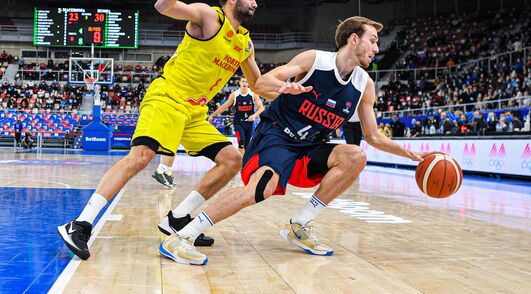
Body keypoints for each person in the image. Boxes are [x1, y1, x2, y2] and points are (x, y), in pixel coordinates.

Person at [159, 16, 431, 265]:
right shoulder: (315, 60)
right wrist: (284, 86)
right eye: (372, 40)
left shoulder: (364, 84)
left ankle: (300, 224)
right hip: (275, 135)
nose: (376, 48)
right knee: (262, 187)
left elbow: (371, 135)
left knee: (355, 156)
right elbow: (263, 82)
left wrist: (406, 152)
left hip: (308, 147)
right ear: (353, 38)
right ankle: (183, 236)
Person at [57, 0, 263, 260]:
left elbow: (259, 83)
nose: (255, 3)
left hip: (194, 112)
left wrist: (293, 87)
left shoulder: (244, 42)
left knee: (232, 159)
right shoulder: (211, 18)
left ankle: (177, 219)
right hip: (167, 97)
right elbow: (164, 6)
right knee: (141, 156)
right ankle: (80, 224)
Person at [208, 76, 264, 154]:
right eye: (243, 81)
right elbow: (224, 106)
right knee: (241, 142)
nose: (245, 83)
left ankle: (244, 161)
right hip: (238, 122)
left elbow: (261, 108)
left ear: (249, 83)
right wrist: (213, 115)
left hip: (249, 123)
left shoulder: (253, 94)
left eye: (246, 82)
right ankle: (241, 163)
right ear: (240, 82)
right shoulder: (234, 95)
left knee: (246, 145)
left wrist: (254, 115)